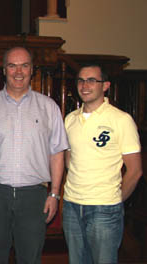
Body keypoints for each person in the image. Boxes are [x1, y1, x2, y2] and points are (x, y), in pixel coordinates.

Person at [0, 46, 69, 263]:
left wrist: (54, 194)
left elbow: (57, 153)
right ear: (3, 69)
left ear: (32, 69)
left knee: (30, 257)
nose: (19, 71)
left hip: (34, 196)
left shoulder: (49, 107)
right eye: (12, 65)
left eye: (24, 65)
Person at [63, 64, 142, 264]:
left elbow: (135, 171)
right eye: (81, 80)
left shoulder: (121, 120)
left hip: (104, 208)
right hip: (72, 205)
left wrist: (115, 200)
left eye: (92, 80)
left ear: (105, 85)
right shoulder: (70, 119)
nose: (84, 85)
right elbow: (68, 159)